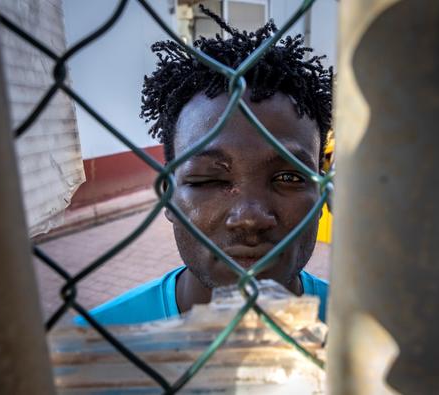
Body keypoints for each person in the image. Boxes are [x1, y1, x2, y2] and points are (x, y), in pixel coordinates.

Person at [79, 7, 333, 326]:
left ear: (321, 193)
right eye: (208, 180)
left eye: (288, 176)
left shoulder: (369, 334)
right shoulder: (101, 337)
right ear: (168, 194)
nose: (250, 218)